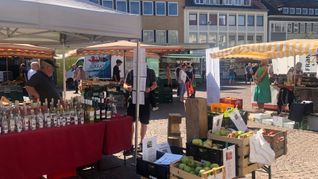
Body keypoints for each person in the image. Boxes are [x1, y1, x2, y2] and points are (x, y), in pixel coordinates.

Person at [124, 67, 157, 152]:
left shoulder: (150, 71)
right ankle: (130, 144)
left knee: (144, 122)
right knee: (130, 122)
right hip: (133, 100)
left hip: (145, 100)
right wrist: (128, 87)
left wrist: (149, 89)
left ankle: (141, 143)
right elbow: (125, 84)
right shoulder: (131, 71)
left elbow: (155, 84)